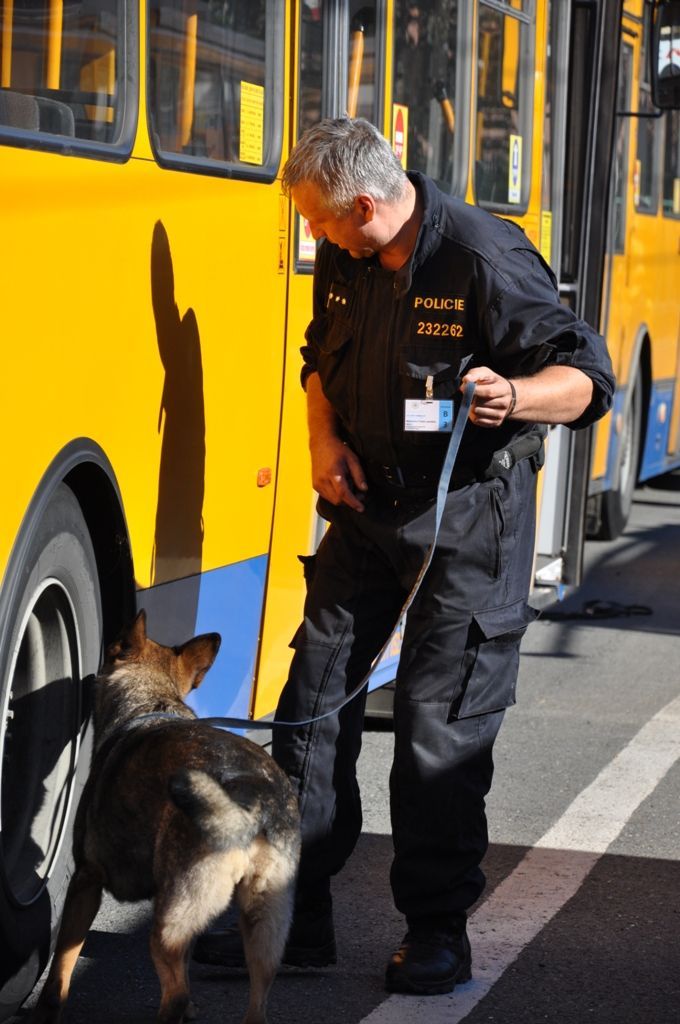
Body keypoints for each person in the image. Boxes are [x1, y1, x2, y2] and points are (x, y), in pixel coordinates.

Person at [194, 117, 615, 995]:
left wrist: (515, 394)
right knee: (309, 710)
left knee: (436, 728)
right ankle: (293, 919)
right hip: (365, 510)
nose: (312, 237)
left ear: (361, 205)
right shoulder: (348, 255)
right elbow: (318, 360)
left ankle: (435, 930)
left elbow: (588, 379)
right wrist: (322, 441)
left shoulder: (483, 256)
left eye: (317, 220)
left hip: (468, 517)